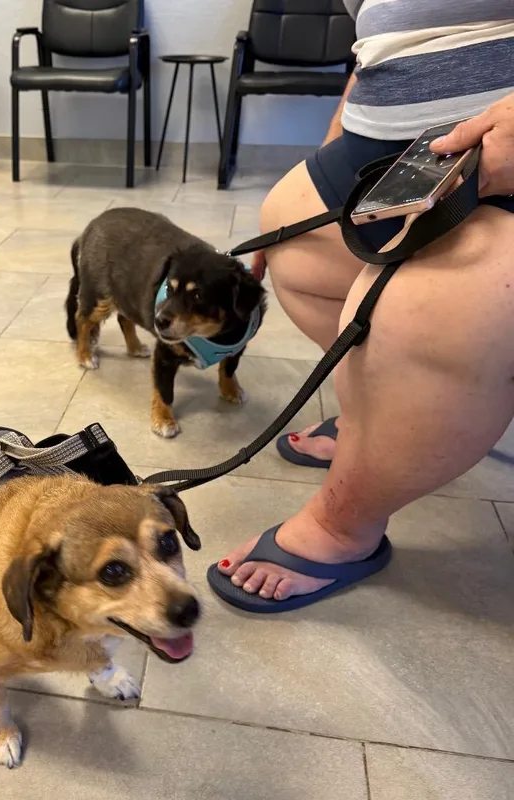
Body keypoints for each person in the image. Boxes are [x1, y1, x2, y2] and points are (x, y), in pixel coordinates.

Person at [209, 1, 514, 613]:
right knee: (295, 248)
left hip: (496, 157)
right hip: (391, 151)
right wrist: (332, 152)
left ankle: (344, 528)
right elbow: (381, 37)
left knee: (427, 318)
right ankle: (378, 422)